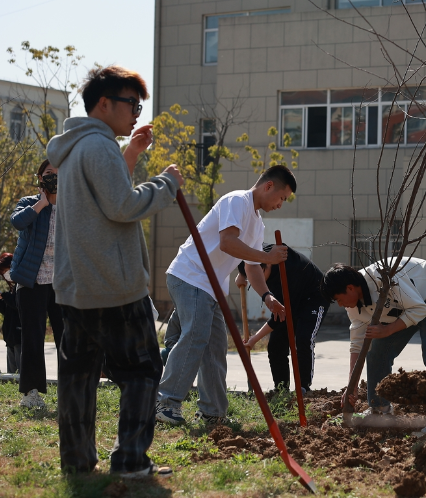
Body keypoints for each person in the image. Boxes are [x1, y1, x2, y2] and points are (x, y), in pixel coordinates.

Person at [48, 65, 183, 477]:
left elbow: (102, 197)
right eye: (131, 104)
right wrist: (165, 185)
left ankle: (76, 461)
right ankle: (130, 461)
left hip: (76, 287)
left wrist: (132, 154)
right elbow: (121, 206)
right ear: (103, 104)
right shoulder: (99, 145)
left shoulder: (74, 148)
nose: (137, 113)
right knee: (142, 371)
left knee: (78, 379)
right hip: (114, 287)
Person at [155, 165, 296, 427]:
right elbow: (228, 243)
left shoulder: (257, 223)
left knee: (215, 347)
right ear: (268, 186)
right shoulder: (236, 201)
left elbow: (251, 266)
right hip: (191, 274)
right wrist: (268, 256)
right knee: (196, 335)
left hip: (212, 287)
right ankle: (165, 403)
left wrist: (266, 295)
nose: (280, 204)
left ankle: (212, 412)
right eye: (282, 197)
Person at [320, 258, 426, 432]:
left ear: (350, 288)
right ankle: (380, 408)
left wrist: (389, 330)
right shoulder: (353, 307)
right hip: (407, 307)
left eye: (339, 299)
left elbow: (419, 309)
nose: (340, 305)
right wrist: (351, 386)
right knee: (377, 352)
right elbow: (357, 345)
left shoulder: (383, 277)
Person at [9, 159, 64, 409]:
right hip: (32, 283)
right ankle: (31, 394)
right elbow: (17, 222)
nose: (53, 178)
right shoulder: (29, 203)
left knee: (68, 338)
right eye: (49, 173)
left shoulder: (69, 207)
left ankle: (69, 390)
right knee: (33, 338)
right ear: (40, 178)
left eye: (58, 174)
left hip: (62, 285)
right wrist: (42, 203)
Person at [238, 245, 330, 393]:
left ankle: (303, 387)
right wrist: (242, 274)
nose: (253, 280)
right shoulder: (262, 254)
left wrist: (255, 338)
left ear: (265, 266)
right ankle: (281, 389)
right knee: (276, 344)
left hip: (314, 295)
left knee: (303, 338)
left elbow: (279, 318)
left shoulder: (286, 274)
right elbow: (247, 254)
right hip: (291, 299)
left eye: (255, 275)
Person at [0, 253, 21, 374]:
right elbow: (7, 311)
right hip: (10, 335)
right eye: (3, 272)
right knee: (11, 375)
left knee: (19, 372)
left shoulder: (22, 285)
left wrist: (5, 296)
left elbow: (18, 305)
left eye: (6, 270)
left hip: (19, 334)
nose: (5, 274)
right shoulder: (12, 287)